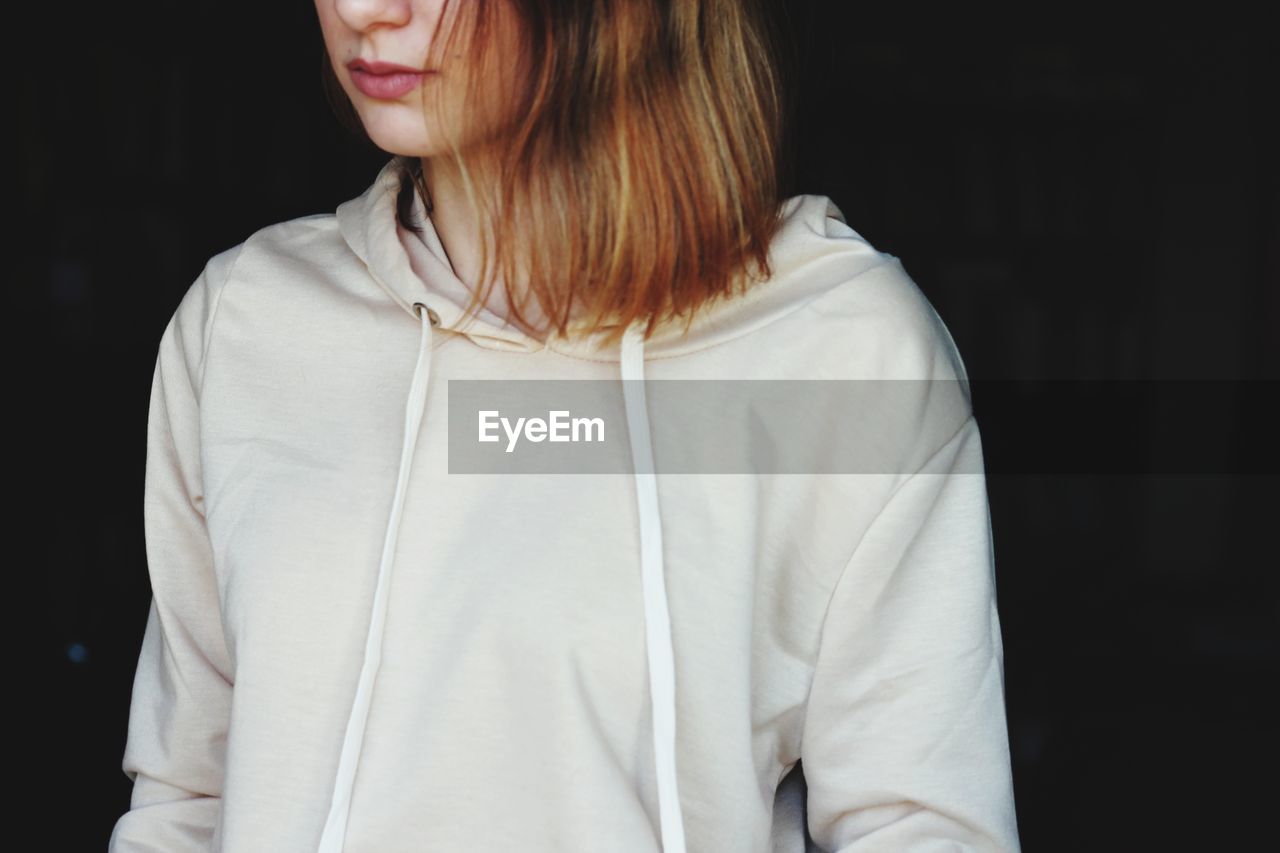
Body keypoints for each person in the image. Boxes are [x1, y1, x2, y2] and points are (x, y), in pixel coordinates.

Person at [108, 1, 1022, 851]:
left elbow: (922, 827)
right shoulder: (247, 324)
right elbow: (187, 800)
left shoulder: (837, 356)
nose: (361, 9)